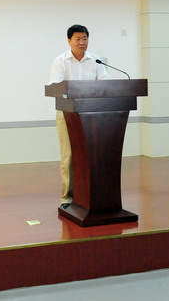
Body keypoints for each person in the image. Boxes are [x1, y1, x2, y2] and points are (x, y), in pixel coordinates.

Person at [48, 24, 107, 206]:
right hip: (67, 114)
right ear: (69, 41)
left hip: (92, 115)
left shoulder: (96, 61)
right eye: (78, 39)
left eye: (85, 39)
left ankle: (90, 194)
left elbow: (105, 87)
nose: (82, 42)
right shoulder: (60, 61)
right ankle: (67, 197)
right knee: (69, 156)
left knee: (92, 155)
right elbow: (56, 88)